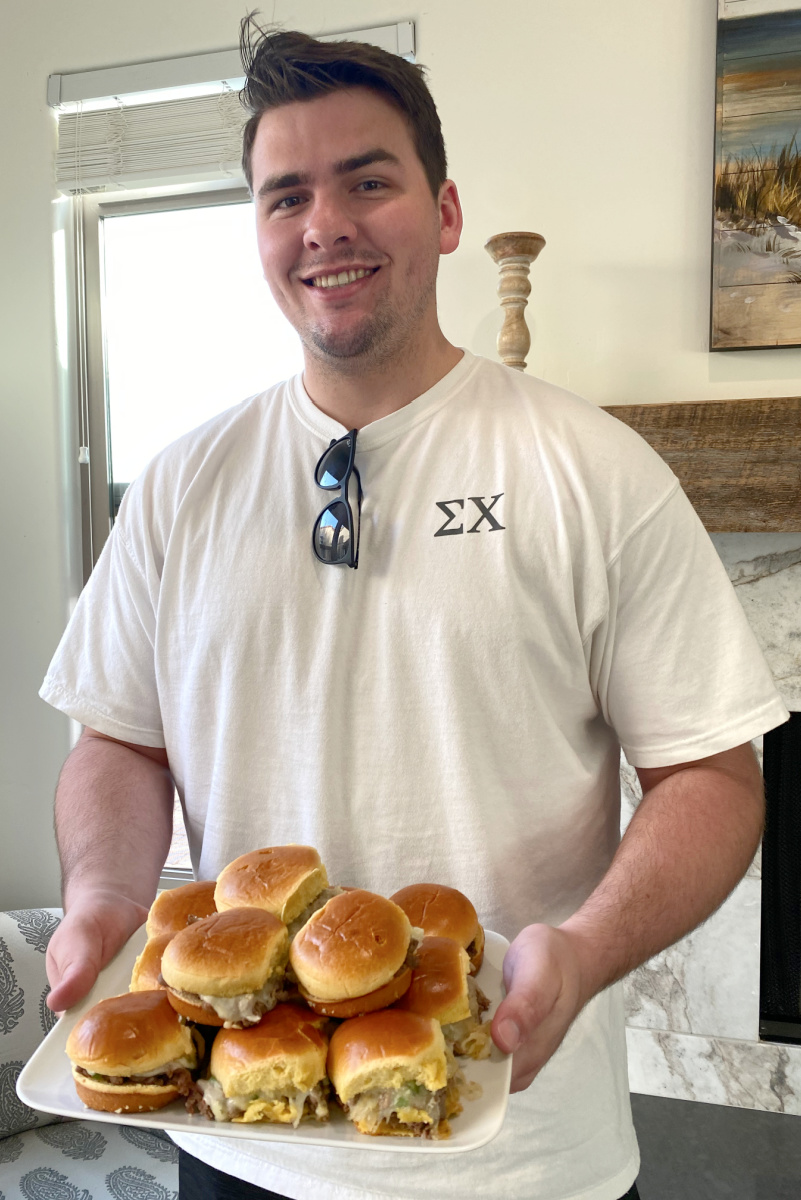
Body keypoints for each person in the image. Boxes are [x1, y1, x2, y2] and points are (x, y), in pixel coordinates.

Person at [40, 22, 788, 1200]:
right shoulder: (181, 485)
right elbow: (118, 743)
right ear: (258, 234)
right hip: (239, 1130)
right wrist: (100, 899)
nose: (324, 224)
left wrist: (586, 951)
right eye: (285, 195)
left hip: (525, 1158)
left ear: (444, 214)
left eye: (367, 181)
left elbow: (714, 777)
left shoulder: (592, 470)